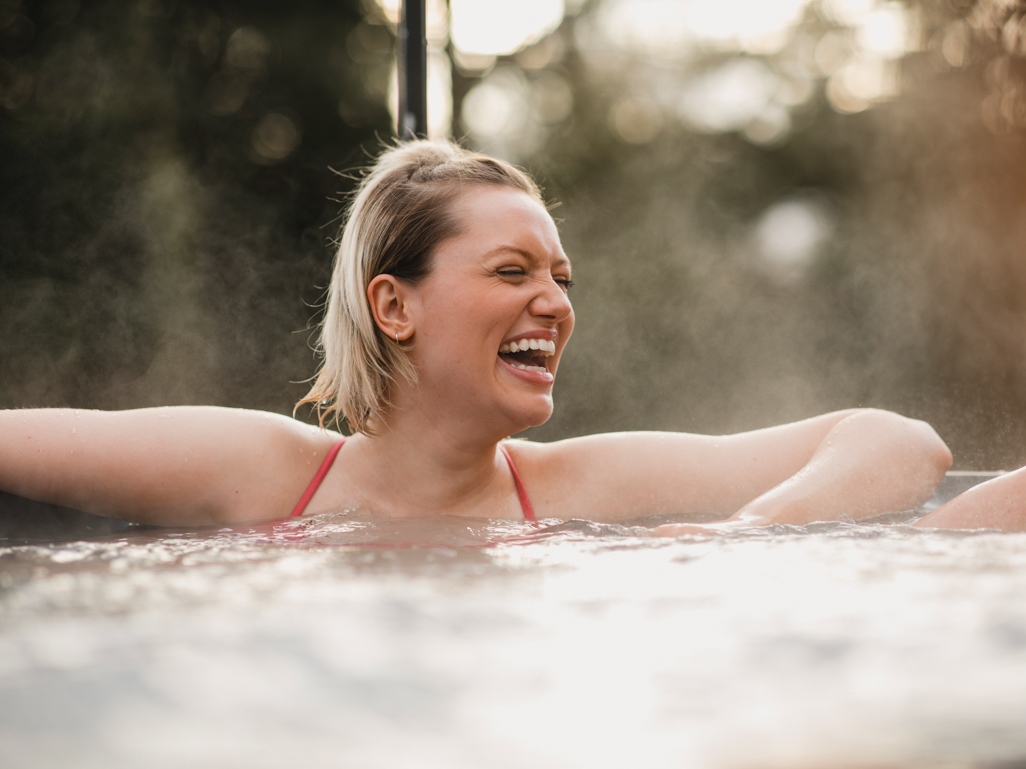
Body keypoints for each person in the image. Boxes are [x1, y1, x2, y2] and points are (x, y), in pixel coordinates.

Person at [0, 140, 954, 530]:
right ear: (394, 305)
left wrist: (732, 547)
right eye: (513, 272)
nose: (555, 303)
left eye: (561, 278)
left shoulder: (573, 486)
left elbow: (898, 443)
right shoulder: (273, 472)